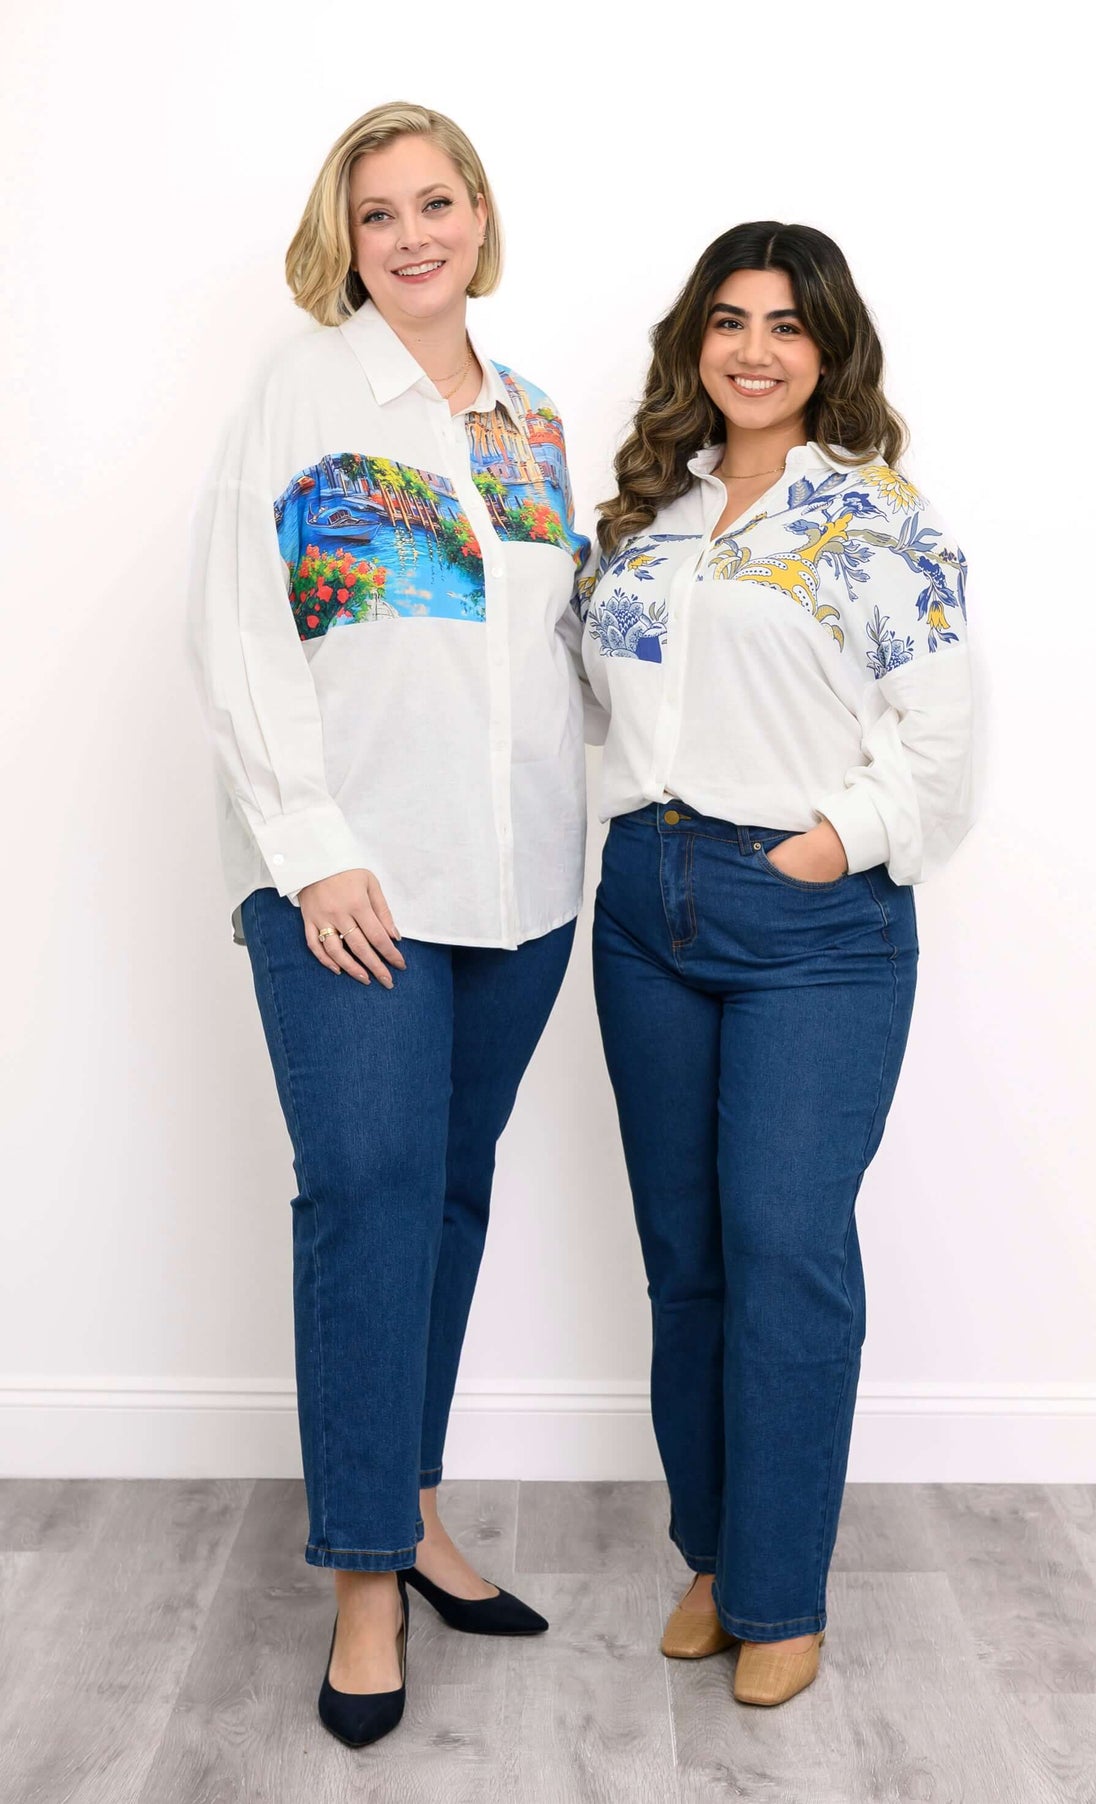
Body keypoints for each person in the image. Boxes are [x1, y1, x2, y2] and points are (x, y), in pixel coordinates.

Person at [187, 101, 596, 1747]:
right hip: (355, 888)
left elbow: (556, 666)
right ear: (345, 238)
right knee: (363, 1198)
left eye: (440, 204)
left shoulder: (533, 424)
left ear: (483, 219)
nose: (415, 235)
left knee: (444, 1199)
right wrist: (310, 849)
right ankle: (366, 1578)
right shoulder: (300, 390)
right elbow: (235, 632)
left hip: (522, 890)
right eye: (381, 215)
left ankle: (413, 1512)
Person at [578, 221, 975, 1707]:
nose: (754, 348)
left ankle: (783, 1591)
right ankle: (716, 1554)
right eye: (730, 321)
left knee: (787, 1250)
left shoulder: (880, 522)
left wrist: (829, 840)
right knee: (687, 1260)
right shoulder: (641, 526)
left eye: (787, 326)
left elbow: (944, 749)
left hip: (814, 925)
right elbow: (580, 705)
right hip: (646, 911)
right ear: (695, 341)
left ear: (829, 352)